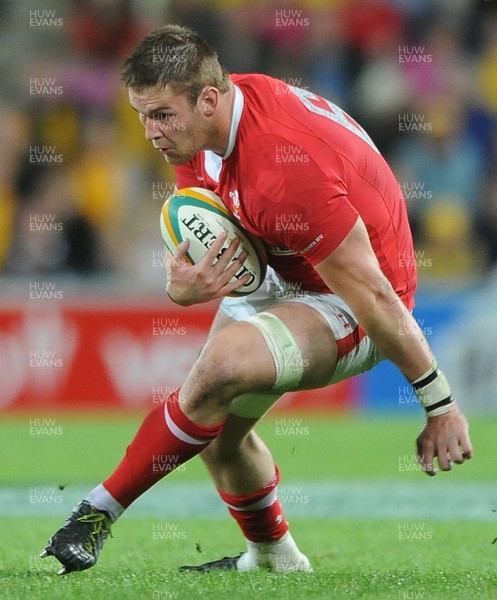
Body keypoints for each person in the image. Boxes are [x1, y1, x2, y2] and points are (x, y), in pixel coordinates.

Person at [40, 24, 473, 575]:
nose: (150, 132)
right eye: (142, 115)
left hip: (353, 298)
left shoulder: (285, 166)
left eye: (161, 115)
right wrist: (182, 288)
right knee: (218, 439)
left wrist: (439, 404)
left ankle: (95, 513)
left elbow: (378, 298)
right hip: (281, 265)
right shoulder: (203, 128)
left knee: (220, 367)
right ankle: (274, 558)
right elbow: (199, 236)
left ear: (209, 99)